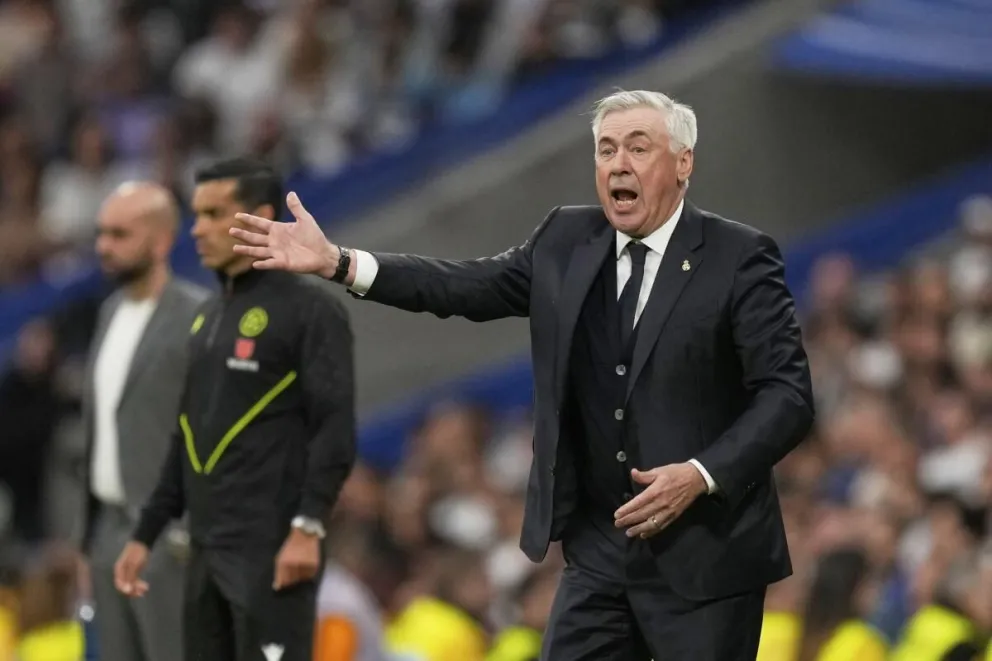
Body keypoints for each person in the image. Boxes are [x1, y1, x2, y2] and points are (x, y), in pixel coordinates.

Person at [231, 90, 815, 660]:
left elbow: (788, 395)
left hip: (707, 556)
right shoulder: (566, 239)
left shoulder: (739, 257)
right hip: (599, 554)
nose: (618, 163)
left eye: (638, 148)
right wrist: (339, 262)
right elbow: (464, 286)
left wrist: (700, 474)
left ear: (683, 163)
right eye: (606, 149)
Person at [113, 157, 357, 661]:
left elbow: (334, 428)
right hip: (204, 547)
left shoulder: (311, 310)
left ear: (260, 216)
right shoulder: (207, 316)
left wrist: (308, 528)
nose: (196, 229)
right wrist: (145, 534)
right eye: (195, 214)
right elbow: (187, 432)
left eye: (212, 213)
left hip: (271, 547)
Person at [79, 181, 208, 661]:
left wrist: (185, 533)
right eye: (101, 233)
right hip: (108, 532)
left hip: (167, 538)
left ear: (160, 241)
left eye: (119, 234)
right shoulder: (109, 312)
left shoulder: (198, 316)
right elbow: (100, 427)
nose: (103, 246)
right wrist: (86, 538)